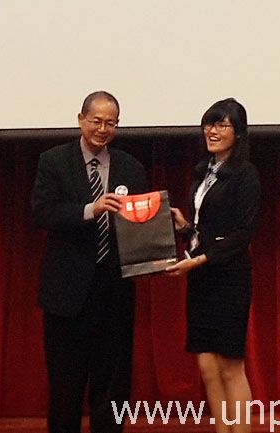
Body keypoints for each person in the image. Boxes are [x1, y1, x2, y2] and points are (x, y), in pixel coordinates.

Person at [31, 91, 148, 433]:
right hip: (66, 296)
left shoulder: (131, 167)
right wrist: (89, 210)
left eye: (110, 123)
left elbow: (141, 225)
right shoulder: (54, 161)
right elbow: (42, 213)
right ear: (80, 119)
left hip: (114, 294)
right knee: (65, 388)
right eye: (96, 121)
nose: (102, 129)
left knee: (112, 388)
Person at [166, 98, 260, 433]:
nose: (213, 131)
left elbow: (242, 235)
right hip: (202, 278)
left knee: (230, 366)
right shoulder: (204, 172)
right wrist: (185, 228)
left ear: (239, 133)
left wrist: (199, 260)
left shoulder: (246, 175)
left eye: (222, 125)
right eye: (209, 124)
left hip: (229, 279)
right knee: (207, 366)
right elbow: (207, 229)